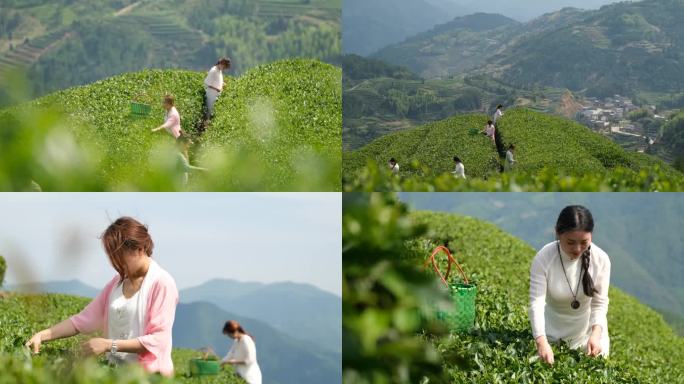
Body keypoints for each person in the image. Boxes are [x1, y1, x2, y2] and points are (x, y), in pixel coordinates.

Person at [25, 217, 179, 376]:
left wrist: (109, 345)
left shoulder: (163, 283)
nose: (117, 264)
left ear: (139, 248)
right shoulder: (116, 283)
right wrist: (43, 335)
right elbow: (82, 320)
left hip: (150, 378)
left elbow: (158, 339)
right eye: (113, 258)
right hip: (116, 375)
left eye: (120, 257)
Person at [529, 205, 611, 365]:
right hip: (552, 334)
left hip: (589, 333)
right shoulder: (544, 258)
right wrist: (541, 341)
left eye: (584, 242)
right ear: (558, 233)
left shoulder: (601, 259)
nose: (578, 249)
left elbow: (599, 303)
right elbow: (536, 303)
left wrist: (596, 334)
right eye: (571, 242)